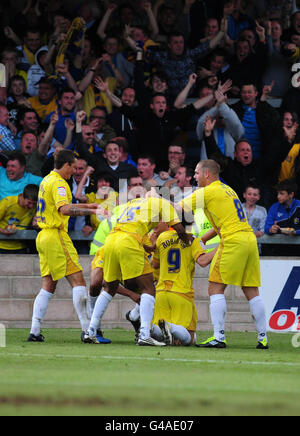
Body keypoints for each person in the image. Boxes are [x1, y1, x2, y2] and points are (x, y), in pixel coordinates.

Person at [179, 159, 269, 350]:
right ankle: (263, 338)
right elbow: (225, 222)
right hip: (249, 239)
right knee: (251, 290)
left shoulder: (206, 192)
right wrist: (204, 238)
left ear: (206, 174)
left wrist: (154, 199)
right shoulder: (228, 190)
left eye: (196, 173)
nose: (193, 176)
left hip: (233, 240)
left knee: (215, 288)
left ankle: (218, 337)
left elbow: (176, 208)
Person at [84, 193, 193, 346]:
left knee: (110, 287)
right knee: (148, 289)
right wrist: (188, 241)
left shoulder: (134, 202)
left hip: (111, 240)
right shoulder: (163, 205)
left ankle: (90, 331)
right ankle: (144, 334)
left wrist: (154, 243)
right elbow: (180, 229)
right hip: (128, 241)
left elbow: (148, 245)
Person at [27, 150, 101, 343]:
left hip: (43, 236)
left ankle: (34, 331)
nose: (74, 171)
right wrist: (90, 208)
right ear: (66, 165)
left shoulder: (45, 180)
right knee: (78, 282)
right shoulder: (60, 183)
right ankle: (87, 331)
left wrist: (91, 207)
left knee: (48, 286)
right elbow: (65, 209)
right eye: (74, 167)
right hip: (56, 235)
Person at [151, 221, 216, 346]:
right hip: (181, 293)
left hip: (161, 292)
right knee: (190, 338)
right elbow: (202, 261)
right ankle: (170, 327)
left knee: (162, 336)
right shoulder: (192, 240)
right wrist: (221, 247)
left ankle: (147, 326)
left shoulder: (163, 237)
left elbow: (155, 264)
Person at [0, 184, 38, 254]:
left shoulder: (36, 207)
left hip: (21, 247)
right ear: (22, 196)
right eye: (29, 202)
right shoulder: (7, 202)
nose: (31, 206)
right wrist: (2, 231)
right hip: (2, 246)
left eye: (34, 204)